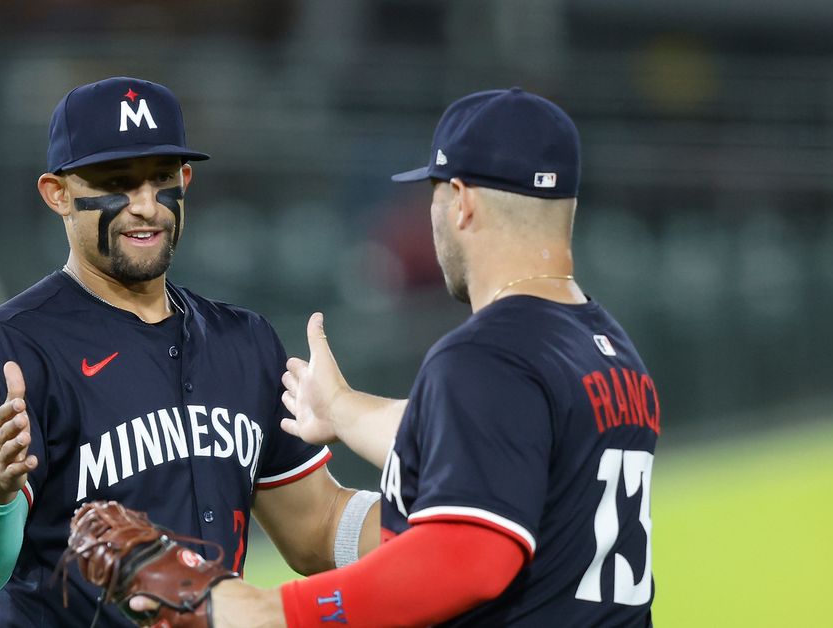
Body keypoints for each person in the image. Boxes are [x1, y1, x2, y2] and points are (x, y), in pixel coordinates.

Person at [0, 77, 381, 627]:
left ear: (186, 179)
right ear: (57, 193)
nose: (145, 206)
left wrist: (444, 523)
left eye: (160, 179)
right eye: (116, 182)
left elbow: (318, 528)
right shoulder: (11, 346)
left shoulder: (244, 341)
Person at [205, 88, 659, 626]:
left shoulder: (486, 355)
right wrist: (340, 408)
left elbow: (466, 561)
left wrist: (274, 611)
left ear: (463, 201)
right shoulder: (608, 349)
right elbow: (483, 442)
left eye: (435, 194)